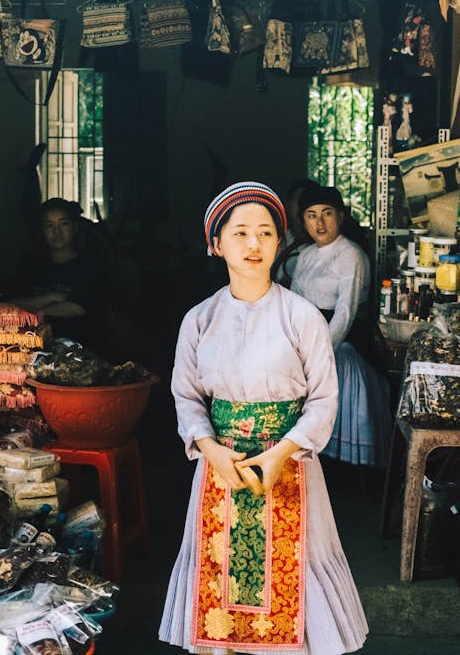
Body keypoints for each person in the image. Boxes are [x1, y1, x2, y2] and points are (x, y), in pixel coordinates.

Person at [160, 182, 368, 655]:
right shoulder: (199, 319)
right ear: (215, 245)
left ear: (279, 242)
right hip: (221, 471)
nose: (253, 245)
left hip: (291, 466)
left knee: (291, 585)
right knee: (221, 587)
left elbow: (322, 399)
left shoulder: (302, 317)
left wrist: (282, 453)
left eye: (266, 233)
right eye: (240, 234)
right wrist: (210, 448)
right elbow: (186, 398)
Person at [289, 184, 391, 468]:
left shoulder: (351, 255)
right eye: (311, 215)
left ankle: (338, 467)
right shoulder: (306, 255)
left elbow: (345, 314)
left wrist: (316, 356)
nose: (319, 223)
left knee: (336, 371)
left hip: (343, 343)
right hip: (305, 341)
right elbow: (293, 304)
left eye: (326, 213)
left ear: (341, 216)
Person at [8, 197, 112, 353]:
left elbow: (78, 307)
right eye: (49, 225)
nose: (57, 231)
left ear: (75, 226)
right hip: (35, 349)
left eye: (63, 224)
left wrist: (37, 313)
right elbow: (12, 303)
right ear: (42, 231)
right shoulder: (31, 265)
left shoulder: (90, 265)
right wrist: (51, 297)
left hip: (81, 349)